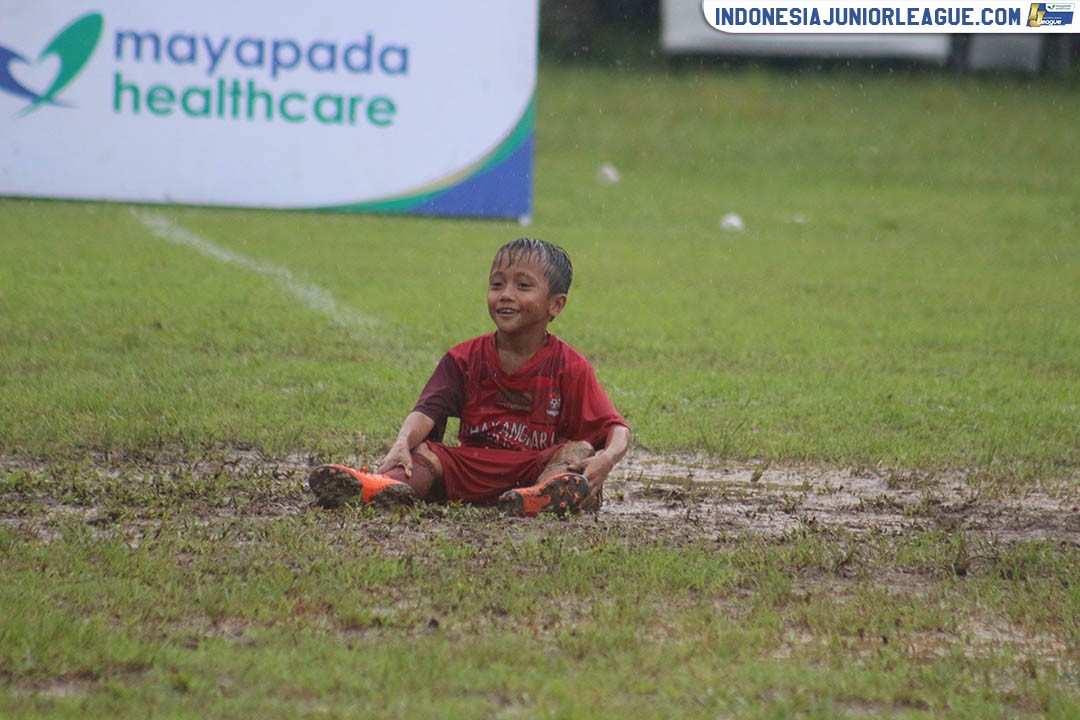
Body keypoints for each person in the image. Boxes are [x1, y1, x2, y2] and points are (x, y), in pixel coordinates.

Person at [308, 237, 631, 516]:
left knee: (577, 452)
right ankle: (382, 490)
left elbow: (616, 429)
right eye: (496, 284)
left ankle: (541, 498)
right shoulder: (463, 357)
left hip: (534, 471)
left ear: (556, 305)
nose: (505, 294)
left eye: (523, 285)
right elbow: (427, 411)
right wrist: (402, 442)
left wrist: (606, 460)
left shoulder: (569, 366)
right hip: (469, 467)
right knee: (423, 453)